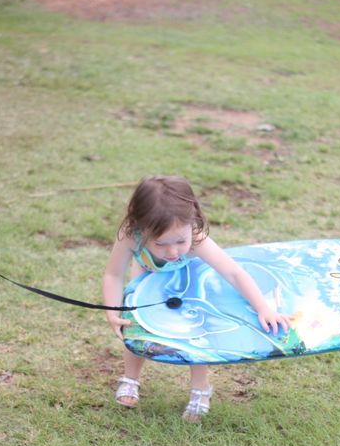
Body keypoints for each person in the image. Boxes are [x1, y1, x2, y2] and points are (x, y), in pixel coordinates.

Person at [102, 175, 291, 422]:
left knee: (195, 333)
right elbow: (113, 275)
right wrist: (112, 312)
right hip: (147, 279)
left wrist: (263, 308)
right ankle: (131, 378)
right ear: (141, 227)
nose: (172, 252)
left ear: (192, 222)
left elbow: (233, 273)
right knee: (135, 325)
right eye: (160, 244)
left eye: (180, 241)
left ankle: (201, 389)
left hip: (187, 282)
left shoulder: (196, 237)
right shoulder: (130, 236)